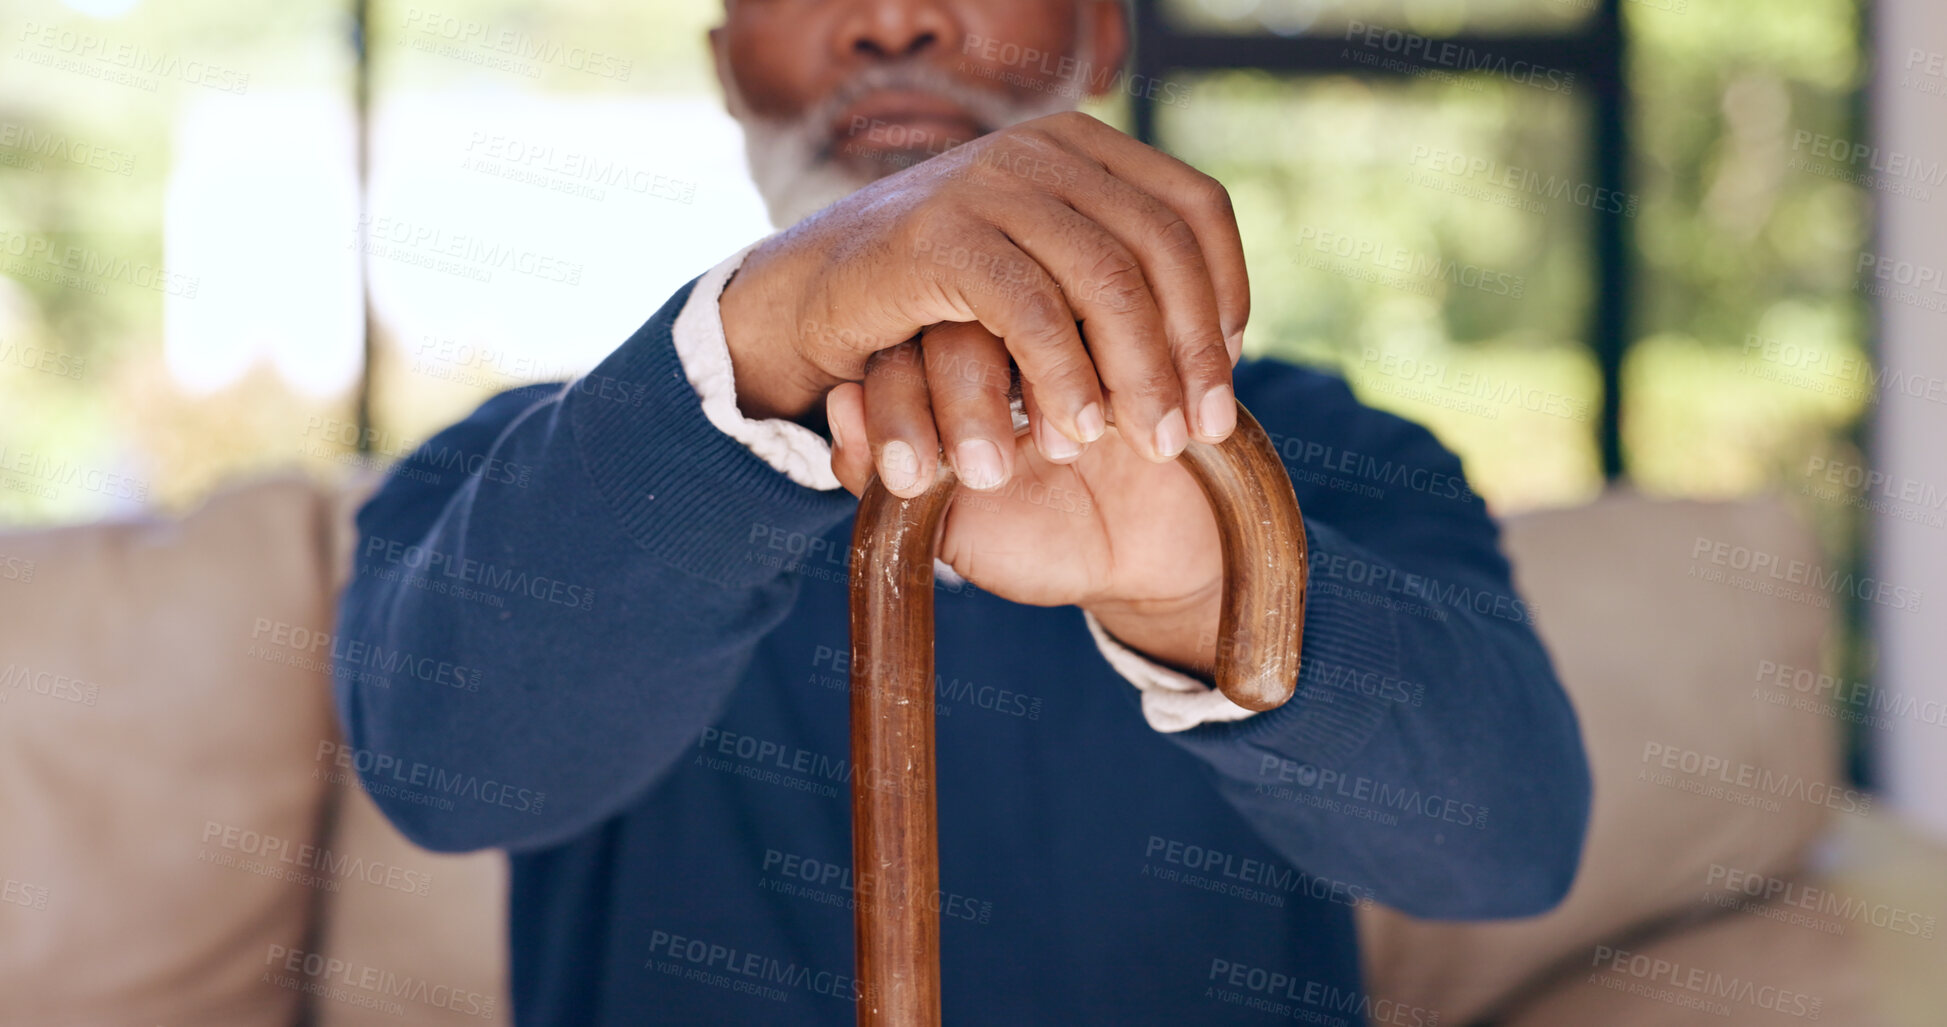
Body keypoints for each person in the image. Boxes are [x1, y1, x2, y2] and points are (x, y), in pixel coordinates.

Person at [333, 1, 1592, 1022]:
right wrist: (769, 329)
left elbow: (1506, 851)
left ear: (1102, 38)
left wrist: (1205, 590)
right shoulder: (530, 468)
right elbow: (451, 775)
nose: (890, 19)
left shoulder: (1322, 453)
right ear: (727, 65)